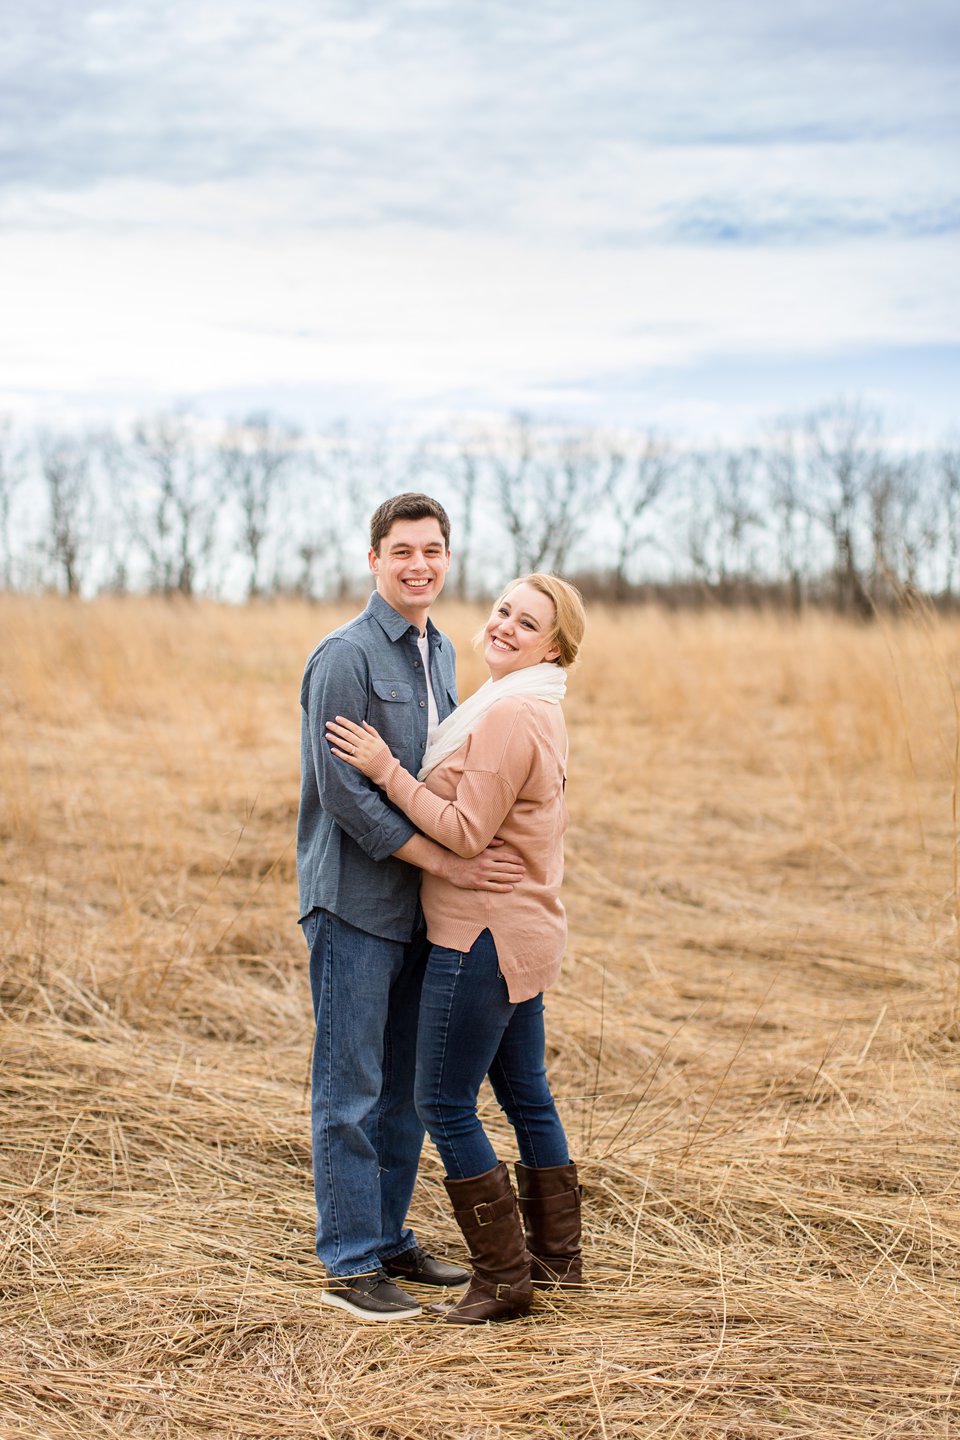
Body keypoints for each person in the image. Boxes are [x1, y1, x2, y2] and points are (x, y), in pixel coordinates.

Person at [325, 572, 586, 1325]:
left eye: (526, 622)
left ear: (555, 646)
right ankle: (557, 1260)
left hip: (482, 935)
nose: (504, 625)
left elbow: (467, 833)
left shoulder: (510, 717)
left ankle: (504, 1278)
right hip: (524, 929)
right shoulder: (528, 703)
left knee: (441, 1098)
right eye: (503, 609)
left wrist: (387, 771)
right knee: (525, 1092)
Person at [297, 493, 526, 1322]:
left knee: (403, 1089)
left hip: (421, 911)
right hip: (355, 902)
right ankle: (351, 1263)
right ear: (374, 560)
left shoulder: (441, 655)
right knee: (350, 1085)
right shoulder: (344, 657)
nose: (419, 565)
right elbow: (345, 799)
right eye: (402, 552)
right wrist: (449, 862)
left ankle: (389, 1238)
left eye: (432, 551)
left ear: (447, 558)